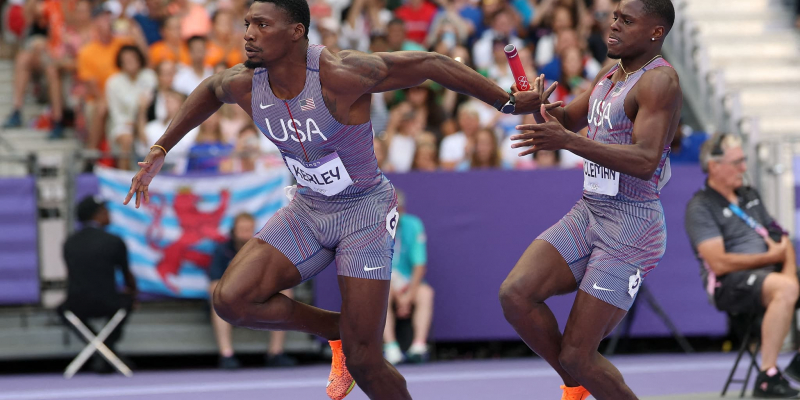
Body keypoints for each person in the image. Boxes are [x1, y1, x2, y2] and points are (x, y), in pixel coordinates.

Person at [123, 0, 545, 399]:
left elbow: (430, 64)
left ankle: (353, 342)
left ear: (296, 32)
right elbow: (211, 90)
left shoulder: (340, 75)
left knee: (365, 361)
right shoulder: (246, 83)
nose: (248, 34)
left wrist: (505, 102)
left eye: (261, 25)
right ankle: (336, 330)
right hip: (308, 209)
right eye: (247, 23)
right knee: (232, 300)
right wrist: (161, 148)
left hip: (364, 212)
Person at [498, 1, 682, 399]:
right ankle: (575, 383)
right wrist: (537, 108)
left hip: (631, 228)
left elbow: (646, 160)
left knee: (579, 354)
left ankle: (577, 373)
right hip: (590, 213)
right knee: (515, 295)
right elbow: (564, 122)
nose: (613, 25)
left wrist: (570, 141)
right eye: (615, 16)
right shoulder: (611, 73)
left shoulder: (658, 82)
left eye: (626, 21)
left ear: (656, 32)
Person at [685, 133, 800, 398]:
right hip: (730, 283)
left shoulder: (750, 195)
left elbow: (780, 237)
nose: (744, 169)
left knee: (786, 284)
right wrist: (772, 259)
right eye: (737, 162)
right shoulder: (701, 206)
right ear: (714, 166)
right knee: (783, 288)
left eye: (744, 161)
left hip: (771, 275)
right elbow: (719, 262)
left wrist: (790, 272)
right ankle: (767, 376)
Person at [208, 213, 297, 369]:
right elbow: (214, 283)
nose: (245, 234)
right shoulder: (222, 251)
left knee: (285, 293)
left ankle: (275, 353)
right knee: (216, 295)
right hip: (231, 302)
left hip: (257, 299)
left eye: (248, 229)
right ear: (233, 230)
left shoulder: (263, 249)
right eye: (241, 229)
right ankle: (226, 355)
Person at [59, 196, 137, 373]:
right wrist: (133, 294)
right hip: (108, 302)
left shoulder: (70, 243)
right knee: (126, 302)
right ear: (98, 214)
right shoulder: (113, 241)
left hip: (76, 304)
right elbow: (127, 275)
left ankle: (100, 351)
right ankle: (107, 350)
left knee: (62, 310)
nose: (109, 215)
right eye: (106, 211)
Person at [383, 191, 434, 365]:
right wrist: (398, 294)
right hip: (385, 282)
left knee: (425, 293)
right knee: (382, 292)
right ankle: (391, 348)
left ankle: (418, 347)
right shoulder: (374, 227)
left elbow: (419, 265)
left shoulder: (414, 224)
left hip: (409, 282)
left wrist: (409, 296)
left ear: (402, 210)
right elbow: (378, 267)